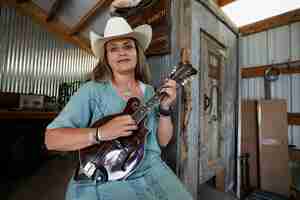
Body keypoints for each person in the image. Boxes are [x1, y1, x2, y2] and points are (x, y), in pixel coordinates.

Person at [45, 16, 193, 200]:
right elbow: (51, 139)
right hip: (108, 175)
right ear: (106, 58)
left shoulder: (150, 92)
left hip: (152, 170)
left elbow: (162, 142)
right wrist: (99, 133)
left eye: (127, 46)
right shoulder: (91, 91)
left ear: (137, 53)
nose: (121, 52)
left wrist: (164, 108)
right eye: (113, 49)